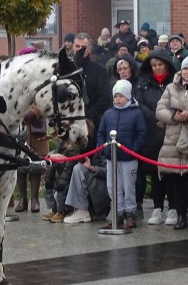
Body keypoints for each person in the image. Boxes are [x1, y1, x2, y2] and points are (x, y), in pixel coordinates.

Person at [155, 56, 188, 230]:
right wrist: (174, 117)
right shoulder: (171, 87)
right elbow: (160, 110)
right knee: (176, 182)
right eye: (185, 69)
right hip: (173, 140)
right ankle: (180, 215)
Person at [96, 80, 147, 229]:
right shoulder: (108, 114)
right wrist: (102, 147)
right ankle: (116, 214)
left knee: (128, 186)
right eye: (115, 96)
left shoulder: (136, 113)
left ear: (128, 96)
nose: (118, 99)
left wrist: (134, 149)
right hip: (111, 157)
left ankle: (130, 213)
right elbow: (101, 132)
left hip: (128, 157)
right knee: (113, 186)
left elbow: (142, 133)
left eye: (121, 96)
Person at [136, 49, 178, 226]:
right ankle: (157, 208)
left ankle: (174, 208)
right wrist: (156, 118)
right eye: (154, 65)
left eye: (160, 65)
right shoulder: (143, 82)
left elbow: (179, 102)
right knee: (155, 174)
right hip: (152, 131)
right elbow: (140, 103)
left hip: (172, 132)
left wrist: (167, 117)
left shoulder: (175, 82)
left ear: (166, 65)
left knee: (172, 174)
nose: (157, 68)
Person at [62, 119, 110, 224]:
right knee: (73, 170)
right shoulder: (81, 146)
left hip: (100, 186)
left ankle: (82, 210)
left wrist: (92, 168)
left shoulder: (103, 145)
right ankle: (68, 209)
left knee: (78, 169)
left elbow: (109, 171)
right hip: (88, 182)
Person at [72, 33, 113, 126]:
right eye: (77, 46)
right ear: (73, 47)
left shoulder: (99, 70)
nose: (80, 49)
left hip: (91, 122)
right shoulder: (66, 69)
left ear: (89, 49)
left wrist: (89, 115)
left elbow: (105, 97)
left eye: (83, 47)